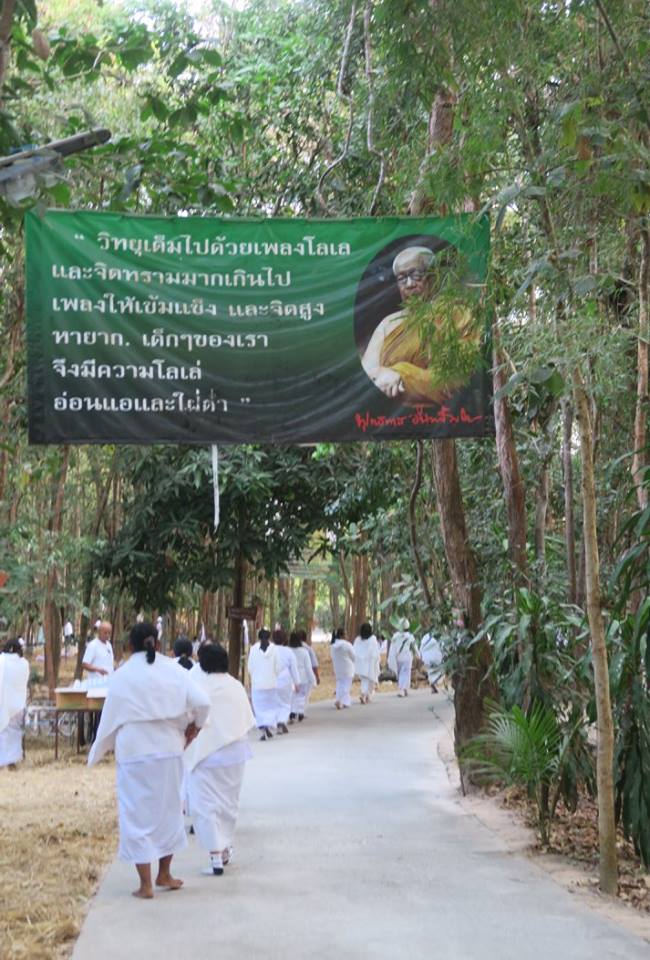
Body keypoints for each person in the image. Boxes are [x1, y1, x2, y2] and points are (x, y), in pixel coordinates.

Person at [88, 622, 210, 899]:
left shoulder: (122, 675)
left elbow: (109, 718)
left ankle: (145, 884)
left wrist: (98, 750)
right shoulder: (175, 670)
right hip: (169, 747)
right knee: (169, 809)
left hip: (134, 750)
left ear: (130, 645)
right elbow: (203, 702)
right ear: (157, 642)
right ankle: (164, 873)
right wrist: (196, 727)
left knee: (136, 813)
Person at [361, 245, 478, 403]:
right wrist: (383, 374)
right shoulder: (388, 323)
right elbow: (368, 370)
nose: (409, 284)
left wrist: (401, 374)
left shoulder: (457, 314)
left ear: (433, 276)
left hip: (442, 413)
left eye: (416, 275)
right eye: (402, 278)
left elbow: (454, 377)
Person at [185, 643, 255, 876]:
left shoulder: (198, 686)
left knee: (204, 803)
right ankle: (224, 848)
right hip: (235, 753)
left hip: (205, 754)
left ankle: (215, 853)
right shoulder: (236, 686)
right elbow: (247, 717)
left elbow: (187, 717)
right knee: (228, 802)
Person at [0, 639, 30, 769]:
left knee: (3, 733)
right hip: (18, 705)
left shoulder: (2, 661)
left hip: (3, 703)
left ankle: (3, 761)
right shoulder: (24, 663)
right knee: (14, 734)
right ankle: (11, 761)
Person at [247, 629, 279, 741]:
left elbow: (250, 667)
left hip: (257, 684)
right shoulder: (274, 649)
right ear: (269, 637)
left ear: (258, 637)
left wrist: (255, 676)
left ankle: (263, 728)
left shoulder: (253, 649)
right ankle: (268, 725)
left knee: (259, 708)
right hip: (271, 683)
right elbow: (278, 667)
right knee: (270, 707)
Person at [272, 628, 300, 735]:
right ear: (285, 640)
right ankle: (281, 721)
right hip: (285, 681)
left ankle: (277, 721)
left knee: (275, 703)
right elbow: (294, 669)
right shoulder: (289, 652)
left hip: (271, 680)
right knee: (285, 704)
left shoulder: (269, 650)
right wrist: (297, 683)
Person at [288, 632, 316, 722]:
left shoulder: (287, 651)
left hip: (291, 677)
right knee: (302, 696)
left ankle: (292, 713)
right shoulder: (304, 651)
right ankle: (300, 712)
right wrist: (313, 680)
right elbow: (308, 667)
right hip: (303, 677)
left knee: (293, 696)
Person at [353, 622, 380, 704]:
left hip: (360, 664)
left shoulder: (357, 639)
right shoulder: (373, 639)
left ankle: (367, 696)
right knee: (368, 680)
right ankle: (363, 694)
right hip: (370, 664)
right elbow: (375, 653)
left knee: (365, 680)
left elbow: (354, 651)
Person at [82, 620, 115, 687]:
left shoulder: (109, 645)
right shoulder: (93, 645)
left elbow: (109, 662)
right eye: (105, 633)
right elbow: (85, 664)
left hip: (108, 682)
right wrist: (98, 670)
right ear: (99, 632)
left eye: (109, 633)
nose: (107, 635)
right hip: (96, 683)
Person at [388, 619, 416, 697]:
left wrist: (392, 657)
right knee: (405, 673)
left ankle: (405, 689)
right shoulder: (410, 636)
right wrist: (418, 654)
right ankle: (402, 689)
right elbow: (414, 647)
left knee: (401, 673)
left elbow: (392, 648)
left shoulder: (395, 636)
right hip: (407, 657)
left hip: (398, 657)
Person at [330, 627, 355, 709]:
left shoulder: (333, 646)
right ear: (342, 636)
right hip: (348, 668)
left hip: (337, 668)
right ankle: (340, 701)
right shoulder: (347, 645)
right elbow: (353, 656)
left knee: (339, 684)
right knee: (346, 686)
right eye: (346, 634)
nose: (347, 636)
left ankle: (343, 701)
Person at [419, 628, 444, 693]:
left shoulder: (425, 638)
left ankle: (433, 685)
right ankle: (434, 683)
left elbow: (421, 647)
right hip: (436, 656)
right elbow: (442, 647)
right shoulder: (439, 637)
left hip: (427, 657)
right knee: (439, 671)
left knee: (430, 672)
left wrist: (420, 656)